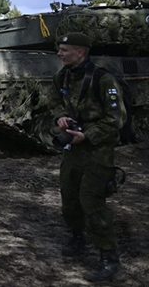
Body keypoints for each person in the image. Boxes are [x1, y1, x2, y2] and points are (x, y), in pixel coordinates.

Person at [48, 32, 126, 282]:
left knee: (91, 201)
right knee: (69, 195)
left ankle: (109, 259)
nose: (59, 54)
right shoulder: (62, 76)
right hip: (73, 148)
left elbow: (117, 118)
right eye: (59, 49)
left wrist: (88, 134)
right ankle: (77, 237)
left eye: (65, 50)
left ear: (80, 52)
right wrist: (61, 116)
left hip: (97, 150)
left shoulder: (103, 79)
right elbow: (55, 102)